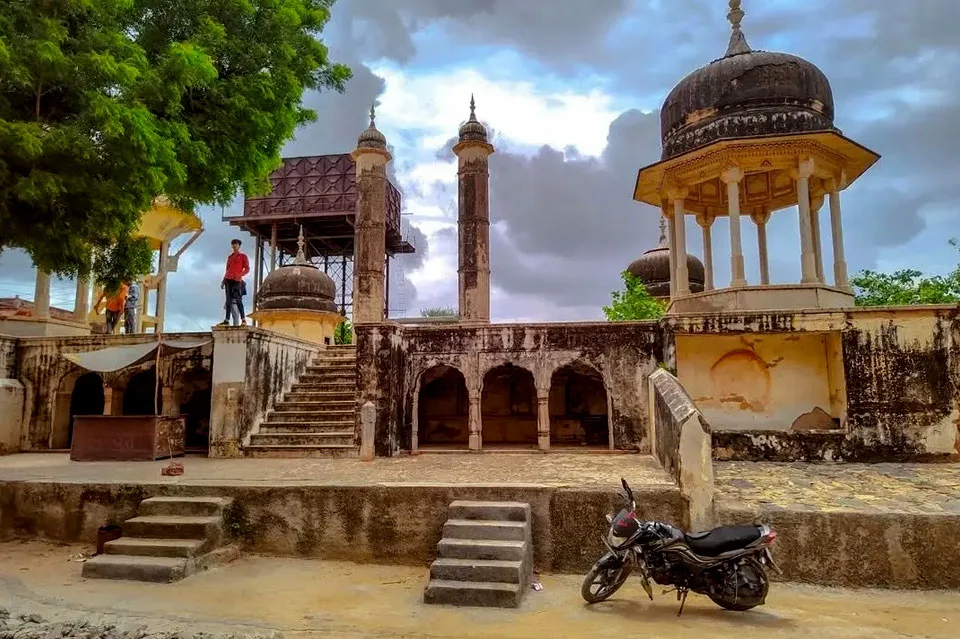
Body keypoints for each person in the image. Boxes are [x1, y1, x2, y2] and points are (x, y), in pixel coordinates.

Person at [220, 239, 250, 326]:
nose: (234, 246)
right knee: (228, 300)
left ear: (239, 245)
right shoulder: (230, 257)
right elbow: (227, 269)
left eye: (236, 244)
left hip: (237, 280)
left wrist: (240, 274)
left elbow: (247, 268)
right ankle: (227, 320)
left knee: (238, 300)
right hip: (228, 279)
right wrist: (223, 281)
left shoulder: (243, 256)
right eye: (233, 244)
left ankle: (243, 320)